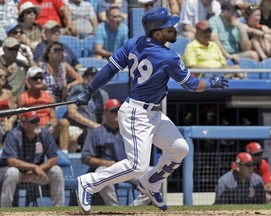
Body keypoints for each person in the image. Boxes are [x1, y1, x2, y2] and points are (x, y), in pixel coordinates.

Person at [75, 7, 228, 214]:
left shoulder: (134, 43)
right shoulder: (169, 56)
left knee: (180, 148)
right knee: (136, 165)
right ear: (157, 32)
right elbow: (191, 85)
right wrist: (211, 82)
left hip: (153, 113)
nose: (174, 29)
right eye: (169, 27)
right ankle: (89, 182)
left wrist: (89, 91)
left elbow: (110, 69)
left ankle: (151, 183)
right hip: (136, 113)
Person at [81, 99, 151, 206]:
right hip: (108, 169)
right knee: (101, 171)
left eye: (118, 110)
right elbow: (86, 157)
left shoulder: (129, 131)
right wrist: (106, 163)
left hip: (128, 168)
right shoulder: (96, 132)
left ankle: (133, 208)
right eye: (113, 110)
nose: (116, 113)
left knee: (155, 173)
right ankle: (115, 208)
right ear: (105, 113)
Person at [0, 111, 65, 207]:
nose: (37, 123)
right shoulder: (14, 135)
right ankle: (5, 210)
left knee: (57, 171)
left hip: (35, 174)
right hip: (17, 173)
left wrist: (36, 170)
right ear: (24, 124)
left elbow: (54, 158)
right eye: (33, 121)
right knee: (12, 172)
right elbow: (11, 161)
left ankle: (59, 210)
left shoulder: (44, 133)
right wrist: (34, 167)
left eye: (38, 120)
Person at [18, 66, 70, 153]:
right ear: (28, 81)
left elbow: (53, 117)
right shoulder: (23, 97)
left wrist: (51, 126)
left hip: (47, 130)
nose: (39, 80)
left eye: (40, 78)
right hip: (31, 130)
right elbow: (21, 119)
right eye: (35, 78)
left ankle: (64, 155)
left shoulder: (48, 97)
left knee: (64, 122)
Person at [66, 67, 109, 152]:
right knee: (73, 138)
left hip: (96, 127)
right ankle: (71, 163)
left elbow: (106, 115)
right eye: (93, 77)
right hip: (78, 126)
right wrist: (93, 125)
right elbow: (72, 113)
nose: (97, 79)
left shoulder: (103, 94)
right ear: (85, 79)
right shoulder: (78, 90)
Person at [0, 66, 17, 148]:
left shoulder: (8, 94)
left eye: (5, 76)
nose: (3, 78)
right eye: (0, 76)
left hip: (5, 124)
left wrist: (10, 120)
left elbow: (15, 112)